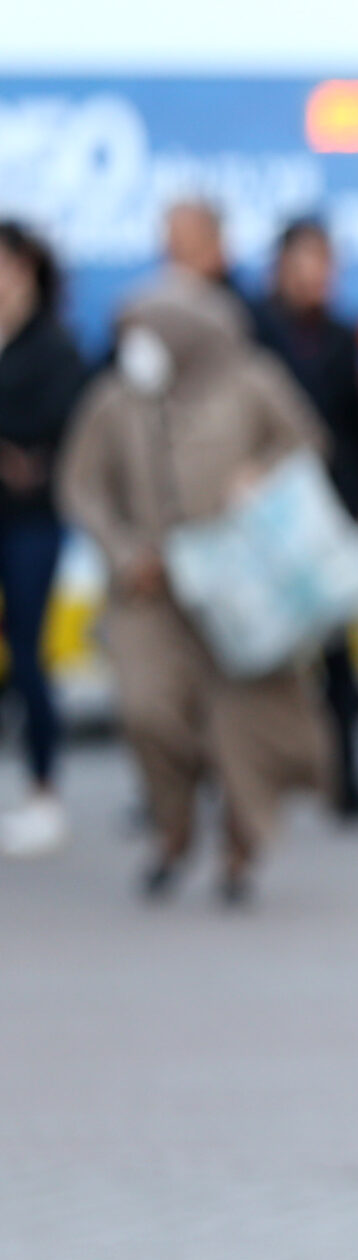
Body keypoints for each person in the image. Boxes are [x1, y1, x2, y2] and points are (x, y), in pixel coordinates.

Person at [57, 288, 333, 905]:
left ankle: (241, 841)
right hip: (148, 588)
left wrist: (259, 477)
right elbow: (83, 486)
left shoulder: (251, 381)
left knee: (245, 719)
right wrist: (125, 552)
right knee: (147, 709)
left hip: (240, 584)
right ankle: (174, 820)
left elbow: (306, 443)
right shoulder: (116, 400)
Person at [253, 217, 358, 822]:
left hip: (327, 508)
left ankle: (346, 778)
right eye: (305, 262)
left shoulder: (343, 337)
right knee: (253, 649)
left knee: (338, 652)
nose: (316, 276)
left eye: (325, 263)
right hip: (262, 509)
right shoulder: (252, 330)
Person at [0, 223, 92, 858]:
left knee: (28, 653)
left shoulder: (55, 347)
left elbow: (52, 439)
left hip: (31, 519)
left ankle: (43, 786)